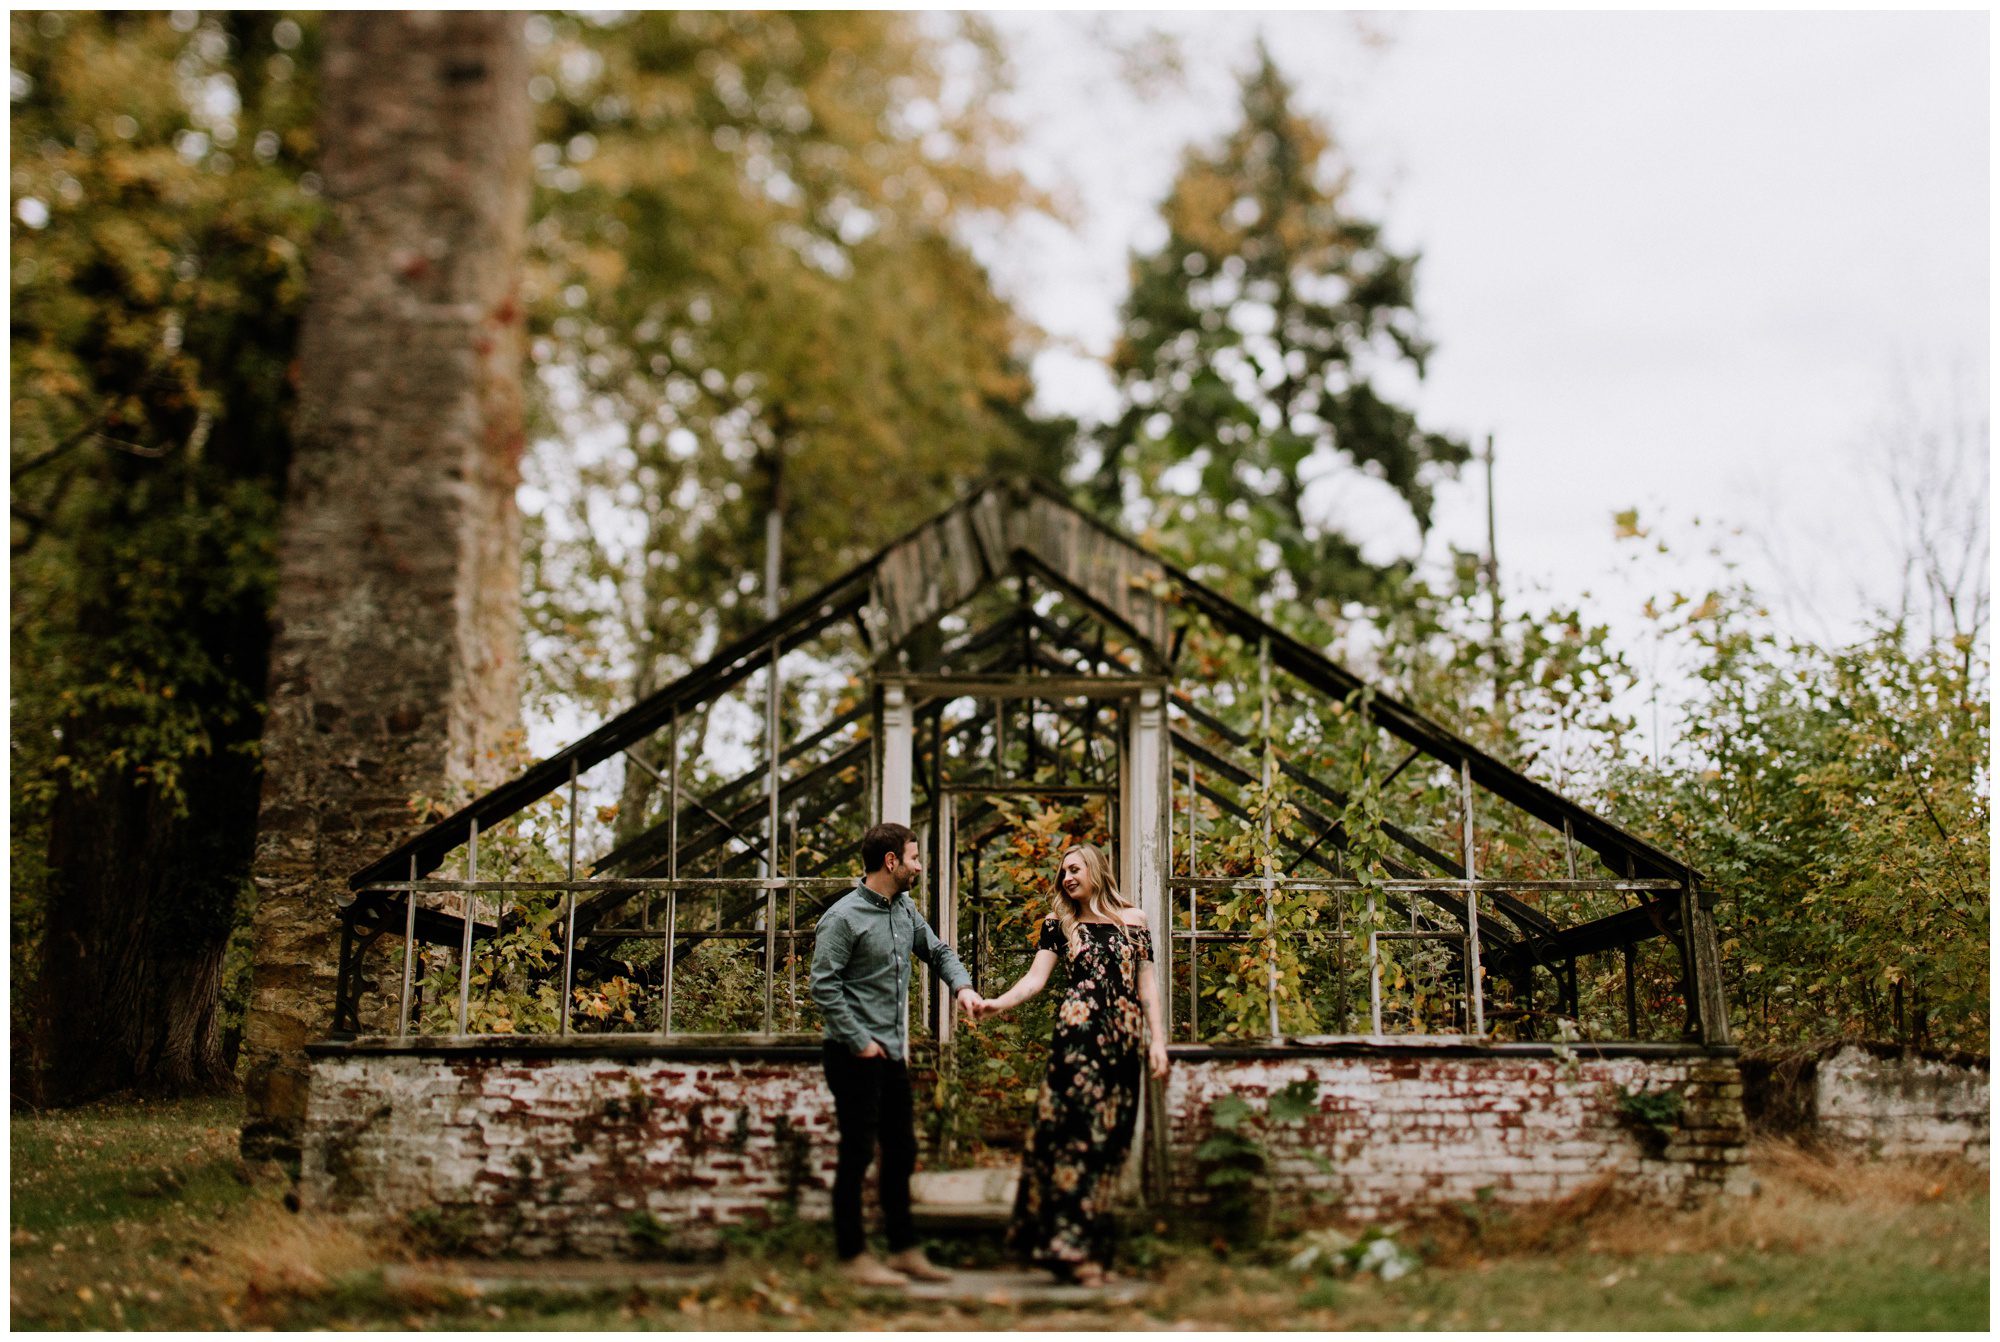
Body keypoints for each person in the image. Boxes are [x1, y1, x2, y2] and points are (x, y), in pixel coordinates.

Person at [974, 843, 1169, 1286]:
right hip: (1079, 1037)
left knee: (1112, 1140)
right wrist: (997, 1003)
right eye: (1063, 872)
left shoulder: (1134, 921)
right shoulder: (1059, 924)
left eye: (1075, 869)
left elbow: (1147, 986)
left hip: (1124, 1041)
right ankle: (1070, 1249)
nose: (1067, 878)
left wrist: (1158, 1042)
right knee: (1080, 1136)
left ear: (1096, 870)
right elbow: (1035, 980)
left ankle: (1084, 1247)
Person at [810, 821, 984, 1287]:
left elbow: (938, 951)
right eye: (914, 857)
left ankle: (904, 1250)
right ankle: (852, 1255)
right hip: (853, 1054)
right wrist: (859, 1040)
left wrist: (962, 988)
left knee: (901, 1150)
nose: (919, 866)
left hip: (890, 1055)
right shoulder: (842, 918)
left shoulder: (904, 909)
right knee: (857, 1152)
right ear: (891, 862)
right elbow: (823, 987)